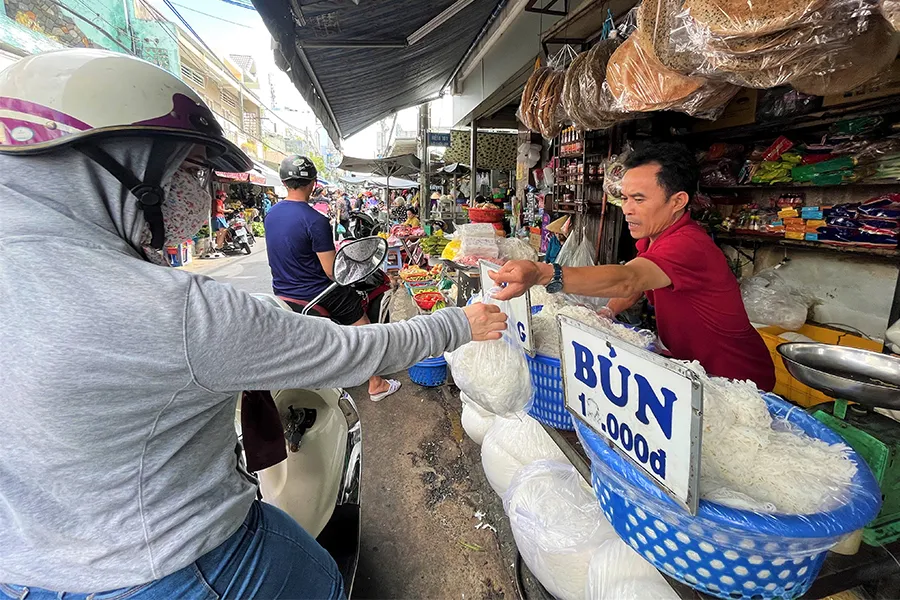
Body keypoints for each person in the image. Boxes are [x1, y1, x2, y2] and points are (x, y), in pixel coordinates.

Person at [0, 49, 507, 600]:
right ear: (124, 162)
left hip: (22, 571)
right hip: (176, 567)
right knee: (323, 580)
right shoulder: (181, 308)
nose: (205, 193)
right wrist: (462, 321)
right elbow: (354, 350)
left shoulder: (267, 218)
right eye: (192, 170)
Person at [490, 142, 775, 390]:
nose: (627, 208)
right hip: (693, 371)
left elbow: (630, 279)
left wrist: (543, 273)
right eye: (624, 198)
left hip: (737, 380)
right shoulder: (654, 238)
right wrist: (608, 310)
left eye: (639, 199)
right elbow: (638, 286)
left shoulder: (688, 244)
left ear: (678, 201)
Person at [266, 155, 407, 401]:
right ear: (312, 183)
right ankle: (376, 383)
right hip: (318, 292)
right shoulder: (315, 220)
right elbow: (333, 272)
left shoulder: (271, 214)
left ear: (284, 182)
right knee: (364, 324)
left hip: (282, 292)